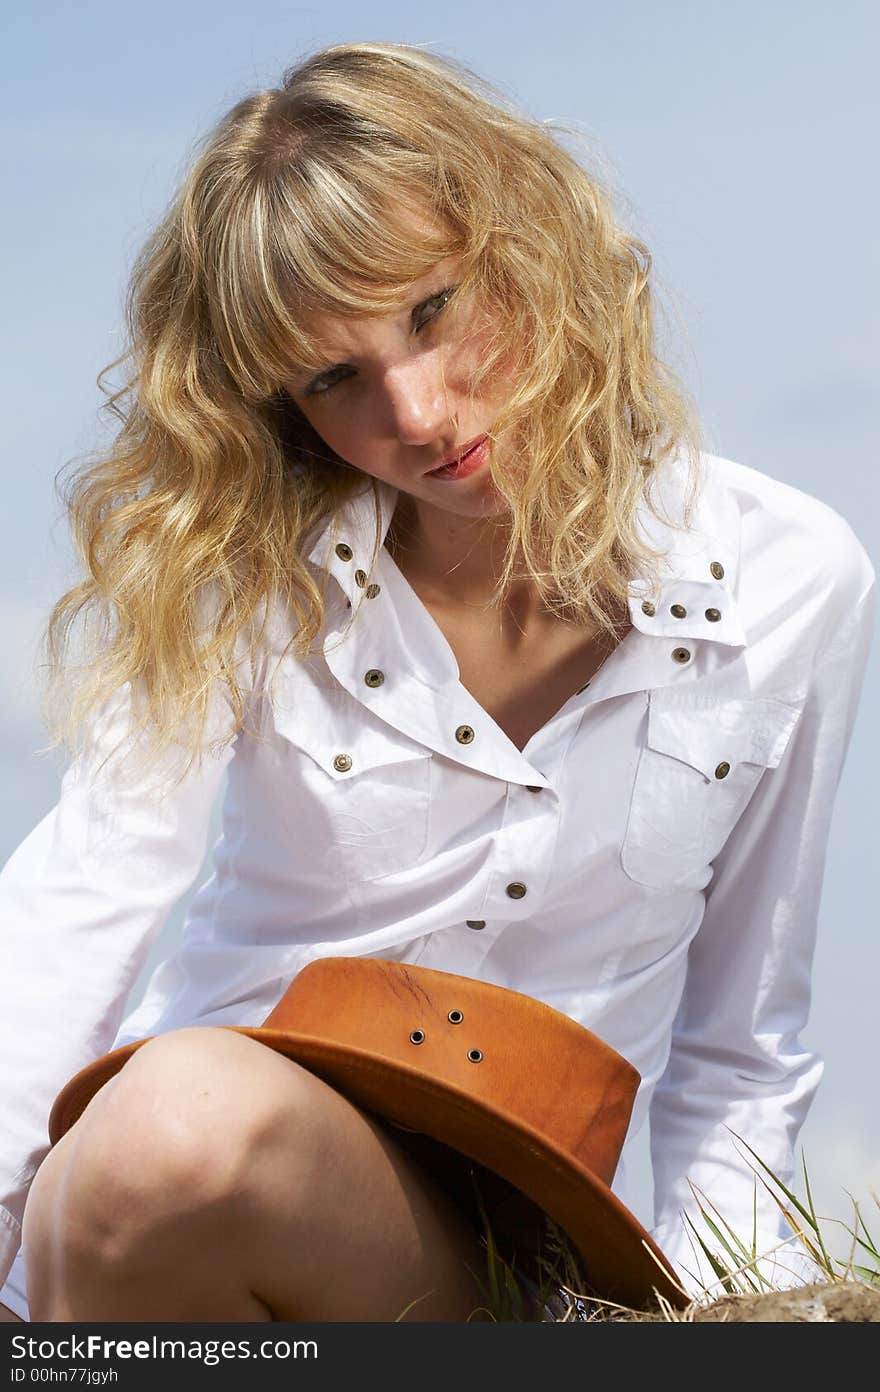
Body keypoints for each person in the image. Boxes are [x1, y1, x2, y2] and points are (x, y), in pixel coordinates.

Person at [0, 40, 875, 1324]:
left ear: (526, 248)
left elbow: (744, 1041)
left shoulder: (792, 577)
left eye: (431, 310)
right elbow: (78, 907)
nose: (416, 412)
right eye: (331, 377)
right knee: (170, 1128)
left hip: (518, 1253)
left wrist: (730, 1323)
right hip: (191, 1191)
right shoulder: (237, 579)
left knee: (170, 1129)